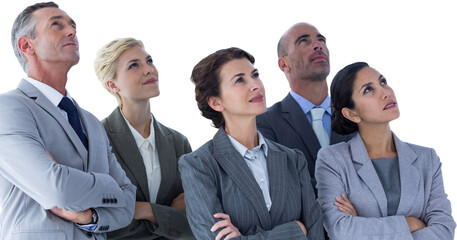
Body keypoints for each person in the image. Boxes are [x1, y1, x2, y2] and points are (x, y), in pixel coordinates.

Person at [0, 2, 136, 239]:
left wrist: (90, 217)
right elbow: (56, 188)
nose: (72, 31)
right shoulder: (9, 108)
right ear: (26, 45)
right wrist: (109, 186)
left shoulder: (92, 123)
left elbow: (127, 204)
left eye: (72, 26)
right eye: (56, 25)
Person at [179, 47, 324, 240]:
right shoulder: (198, 165)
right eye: (240, 80)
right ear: (216, 102)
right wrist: (296, 230)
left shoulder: (293, 159)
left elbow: (315, 233)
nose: (255, 85)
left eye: (255, 75)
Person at [315, 62, 456, 239]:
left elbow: (444, 230)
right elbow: (340, 229)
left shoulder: (427, 159)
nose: (386, 92)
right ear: (352, 114)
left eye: (383, 82)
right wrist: (411, 223)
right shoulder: (333, 160)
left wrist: (364, 227)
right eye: (368, 90)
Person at [94, 37, 195, 239]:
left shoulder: (178, 142)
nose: (149, 69)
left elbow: (193, 218)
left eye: (149, 61)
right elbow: (104, 219)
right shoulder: (97, 137)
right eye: (134, 65)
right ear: (112, 84)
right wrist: (166, 215)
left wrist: (146, 210)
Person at [256, 22, 351, 193]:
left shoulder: (356, 116)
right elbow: (281, 187)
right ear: (284, 64)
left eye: (321, 40)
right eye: (303, 42)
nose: (318, 45)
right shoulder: (264, 123)